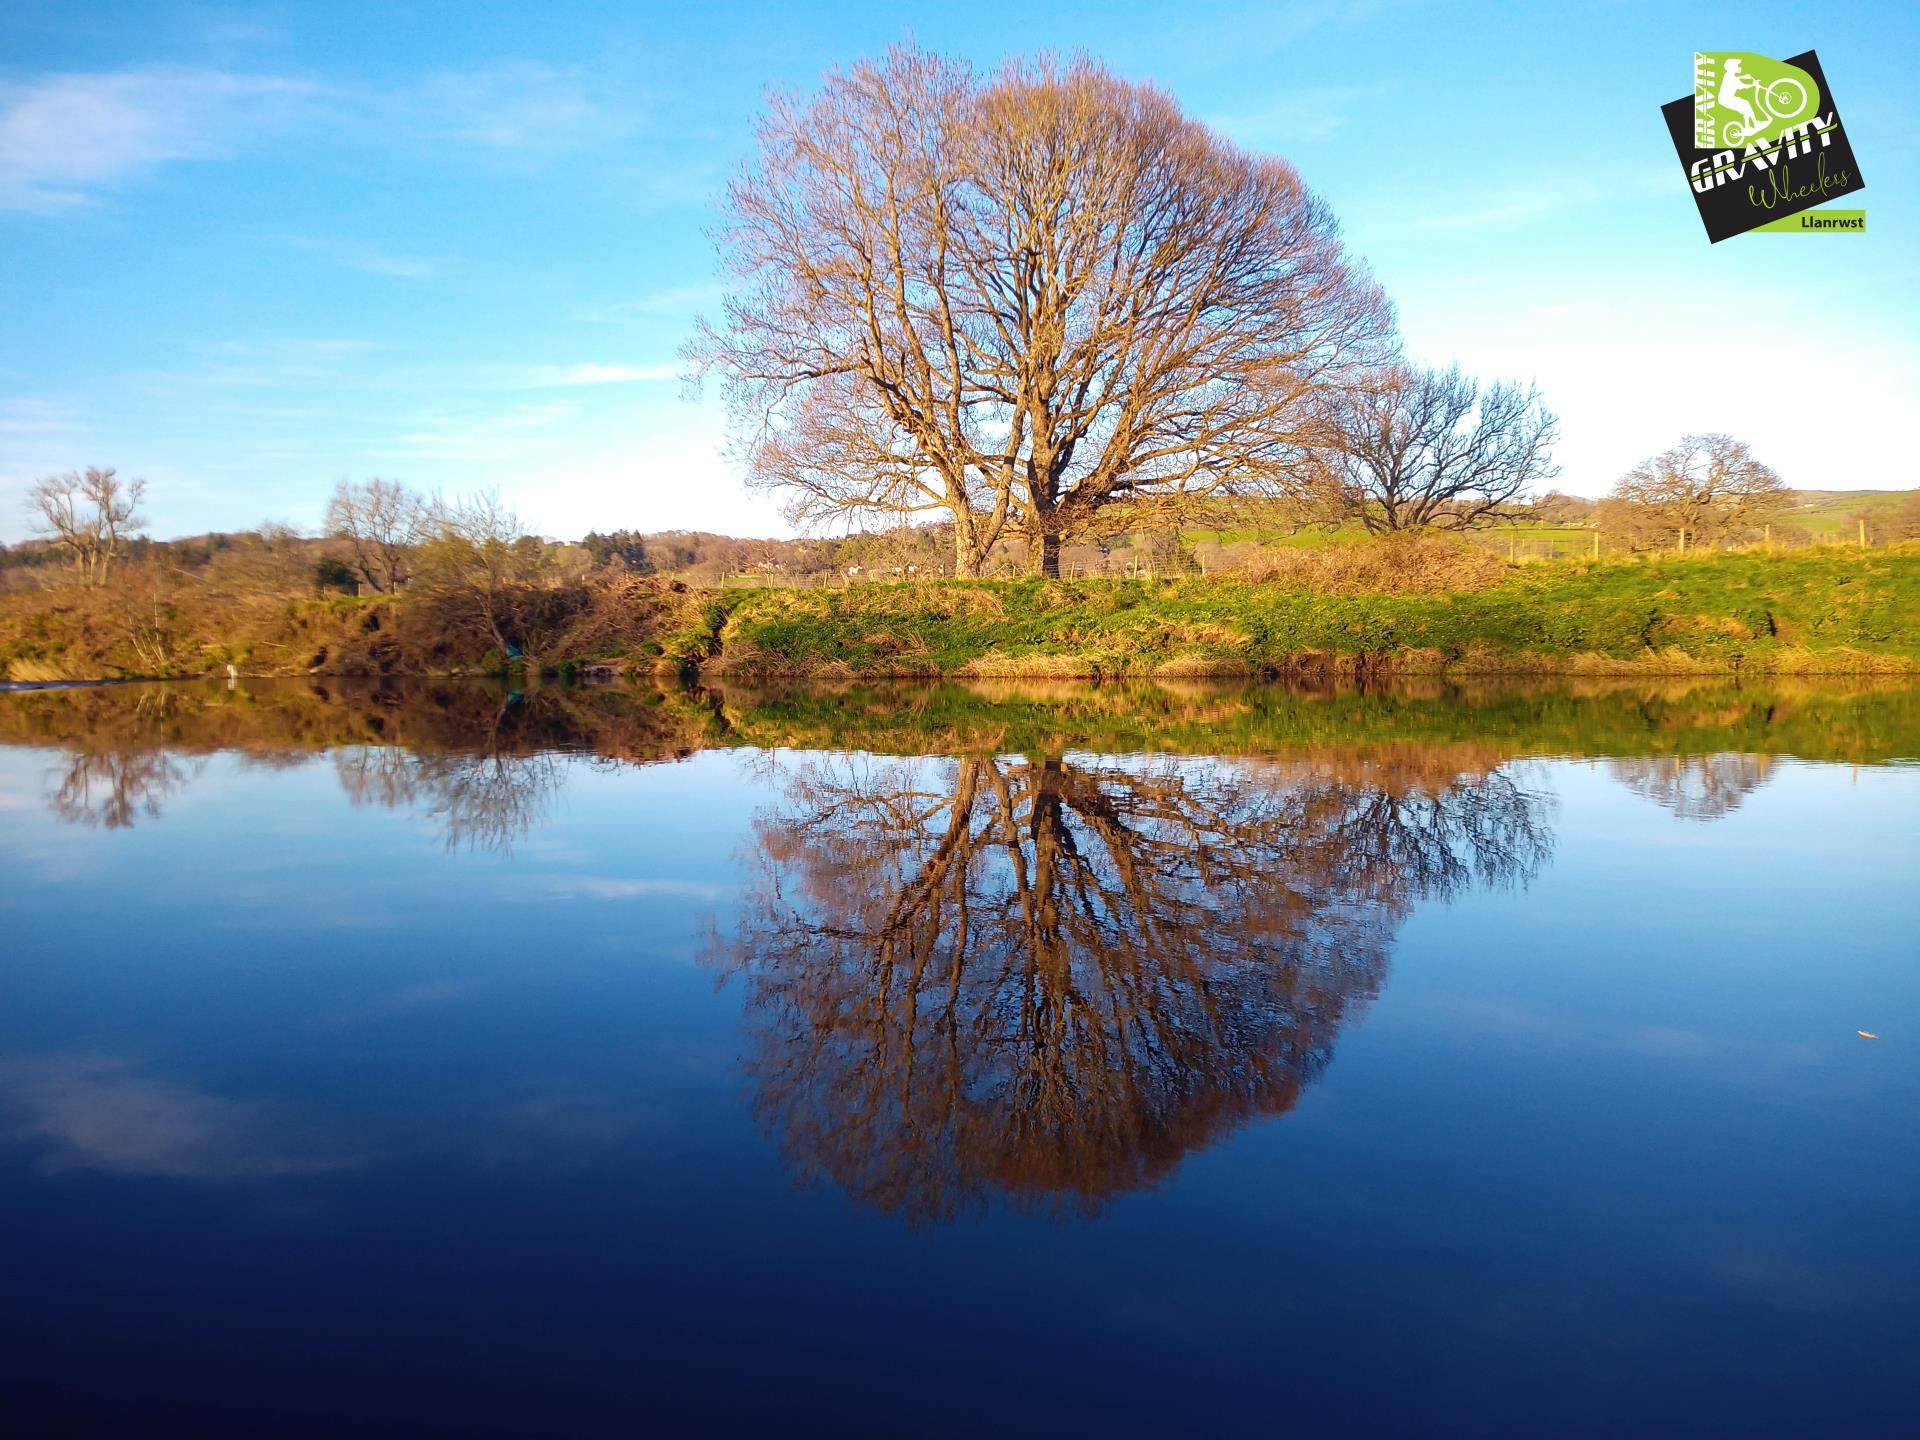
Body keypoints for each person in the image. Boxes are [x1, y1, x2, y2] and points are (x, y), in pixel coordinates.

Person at [1717, 58, 1761, 141]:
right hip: (1726, 99)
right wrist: (1753, 84)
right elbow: (1742, 85)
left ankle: (1750, 125)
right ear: (1732, 67)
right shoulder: (1730, 77)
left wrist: (1744, 76)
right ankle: (1754, 123)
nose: (1739, 67)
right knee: (1745, 104)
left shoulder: (1729, 74)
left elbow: (1736, 78)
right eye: (1737, 65)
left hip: (1726, 98)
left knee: (1745, 105)